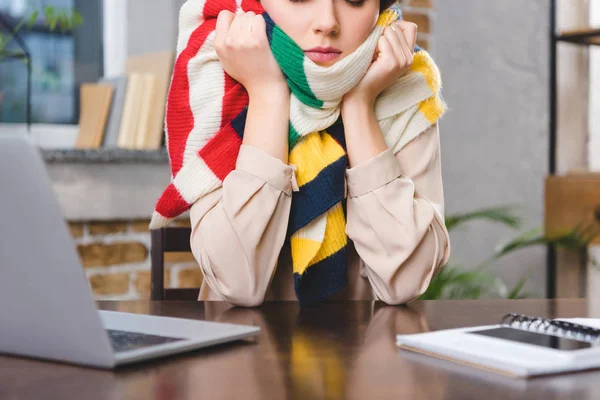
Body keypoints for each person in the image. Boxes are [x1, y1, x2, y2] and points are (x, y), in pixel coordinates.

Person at [150, 0, 450, 307]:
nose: (327, 23)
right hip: (240, 347)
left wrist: (359, 106)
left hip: (368, 345)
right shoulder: (216, 69)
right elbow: (237, 283)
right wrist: (268, 93)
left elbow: (407, 281)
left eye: (355, 0)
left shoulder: (405, 83)